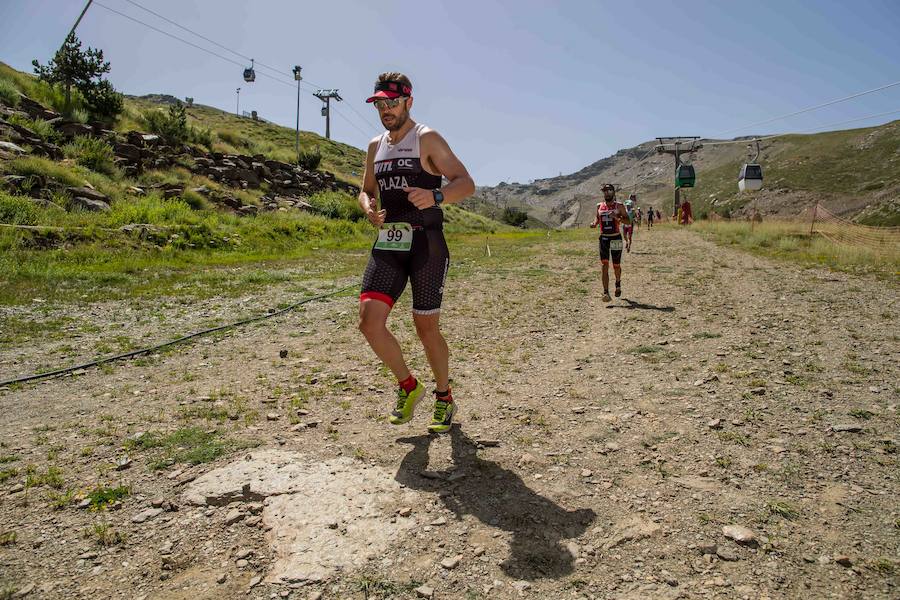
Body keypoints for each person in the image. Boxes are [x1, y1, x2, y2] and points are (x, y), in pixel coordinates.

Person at [357, 72, 475, 433]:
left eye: (392, 103)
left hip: (426, 243)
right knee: (368, 321)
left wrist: (436, 196)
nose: (386, 110)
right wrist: (367, 207)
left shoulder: (427, 138)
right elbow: (365, 190)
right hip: (389, 243)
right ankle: (409, 386)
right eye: (380, 104)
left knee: (425, 327)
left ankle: (444, 396)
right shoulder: (375, 145)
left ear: (408, 101)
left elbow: (465, 183)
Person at [590, 184, 631, 301]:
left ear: (613, 192)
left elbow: (628, 221)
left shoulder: (620, 206)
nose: (607, 193)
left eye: (609, 190)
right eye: (605, 191)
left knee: (616, 265)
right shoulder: (599, 206)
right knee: (604, 265)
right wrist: (594, 224)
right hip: (603, 239)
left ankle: (618, 283)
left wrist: (617, 217)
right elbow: (597, 219)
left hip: (616, 238)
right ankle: (605, 293)